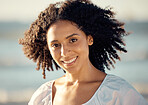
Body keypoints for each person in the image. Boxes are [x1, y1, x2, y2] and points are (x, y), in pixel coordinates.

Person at [19, 0, 148, 105]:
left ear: (89, 39)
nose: (64, 52)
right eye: (55, 45)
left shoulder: (118, 93)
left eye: (73, 40)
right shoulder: (44, 96)